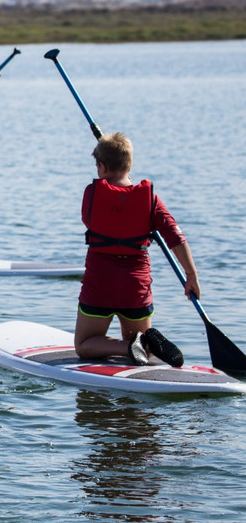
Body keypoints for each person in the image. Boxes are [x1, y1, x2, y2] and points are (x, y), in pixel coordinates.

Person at [73, 132, 197, 367]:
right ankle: (143, 344)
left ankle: (126, 346)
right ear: (130, 164)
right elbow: (176, 237)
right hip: (135, 286)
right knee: (143, 354)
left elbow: (89, 222)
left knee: (85, 345)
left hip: (100, 283)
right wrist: (191, 275)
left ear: (101, 166)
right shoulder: (150, 199)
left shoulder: (91, 193)